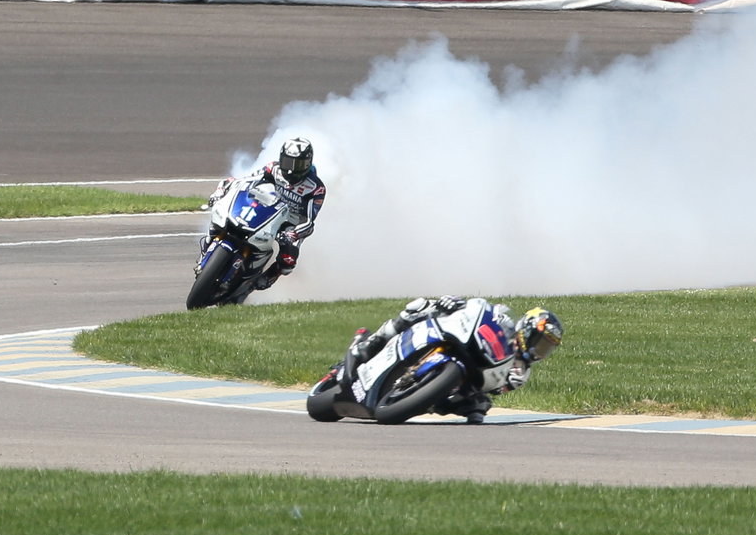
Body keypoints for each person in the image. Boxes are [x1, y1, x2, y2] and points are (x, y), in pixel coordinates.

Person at [343, 296, 564, 423]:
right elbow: (480, 310)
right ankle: (372, 341)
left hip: (466, 382)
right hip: (463, 343)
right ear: (526, 330)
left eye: (546, 348)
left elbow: (495, 391)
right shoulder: (504, 321)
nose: (539, 351)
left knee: (479, 407)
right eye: (540, 342)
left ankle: (417, 399)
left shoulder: (521, 373)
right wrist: (456, 303)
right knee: (419, 307)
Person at [202, 137, 326, 289]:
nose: (291, 169)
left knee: (288, 260)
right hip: (267, 207)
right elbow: (246, 181)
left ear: (307, 163)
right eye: (288, 162)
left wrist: (293, 234)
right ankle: (208, 246)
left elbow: (309, 221)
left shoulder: (316, 187)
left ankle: (270, 275)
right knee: (223, 217)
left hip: (291, 223)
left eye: (298, 164)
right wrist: (221, 190)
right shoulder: (272, 168)